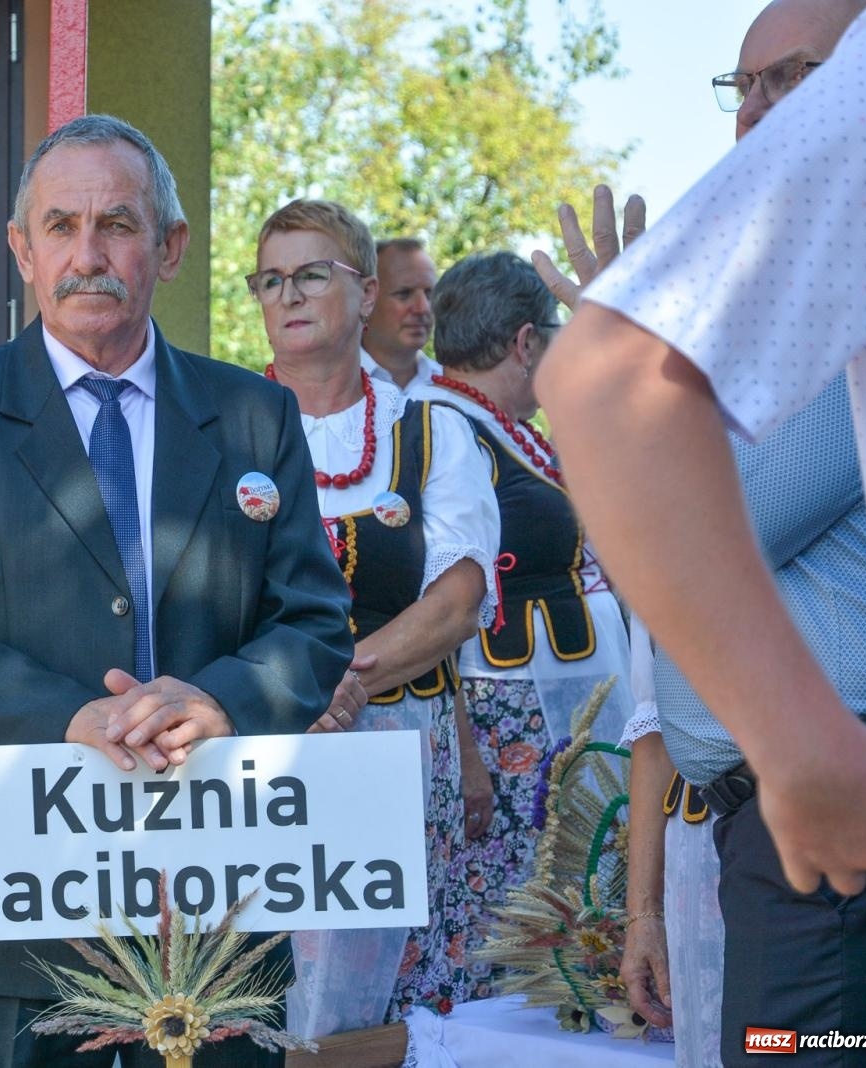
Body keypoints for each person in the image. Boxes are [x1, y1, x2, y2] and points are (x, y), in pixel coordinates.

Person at [0, 115, 354, 1067]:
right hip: (14, 919)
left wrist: (220, 700)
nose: (88, 255)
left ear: (170, 246)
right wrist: (67, 718)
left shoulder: (255, 414)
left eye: (117, 224)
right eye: (61, 226)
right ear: (22, 250)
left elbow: (315, 621)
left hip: (217, 912)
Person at [540, 3, 866, 1062]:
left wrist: (652, 349)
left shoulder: (842, 270)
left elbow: (698, 497)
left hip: (833, 805)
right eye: (739, 87)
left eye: (787, 77)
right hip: (793, 814)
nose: (752, 113)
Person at [248, 200, 499, 1033]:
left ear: (364, 294)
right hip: (259, 747)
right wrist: (298, 693)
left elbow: (456, 603)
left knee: (388, 996)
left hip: (397, 744)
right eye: (270, 280)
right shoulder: (216, 430)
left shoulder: (431, 431)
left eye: (311, 274)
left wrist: (339, 684)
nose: (289, 294)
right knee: (258, 989)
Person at [414, 252, 634, 999]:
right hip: (503, 720)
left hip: (548, 716)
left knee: (562, 909)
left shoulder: (496, 426)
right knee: (513, 919)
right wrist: (467, 753)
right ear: (525, 342)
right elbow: (433, 599)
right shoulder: (444, 426)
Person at [361, 238, 440, 396]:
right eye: (404, 294)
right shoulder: (330, 384)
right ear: (366, 298)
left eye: (429, 294)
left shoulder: (450, 385)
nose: (423, 308)